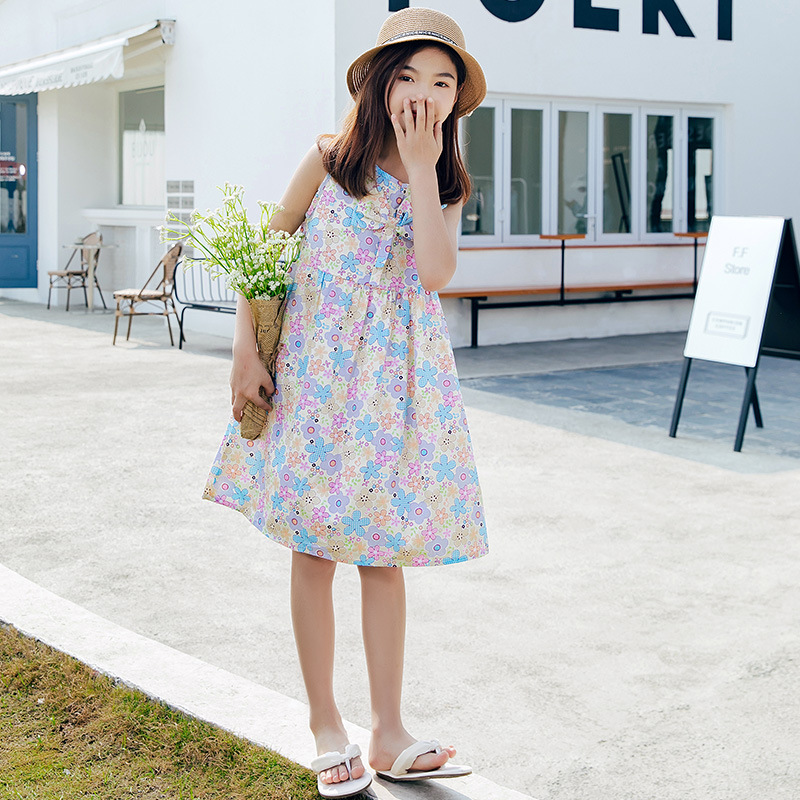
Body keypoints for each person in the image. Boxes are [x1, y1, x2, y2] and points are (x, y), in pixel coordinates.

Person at [203, 7, 488, 797]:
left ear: (455, 101)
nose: (424, 93)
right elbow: (267, 252)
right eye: (409, 76)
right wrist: (245, 350)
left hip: (392, 391)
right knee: (313, 548)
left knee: (382, 554)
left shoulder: (447, 181)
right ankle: (325, 722)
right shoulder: (329, 160)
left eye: (442, 82)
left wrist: (424, 167)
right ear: (380, 84)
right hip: (315, 379)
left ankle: (389, 732)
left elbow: (435, 273)